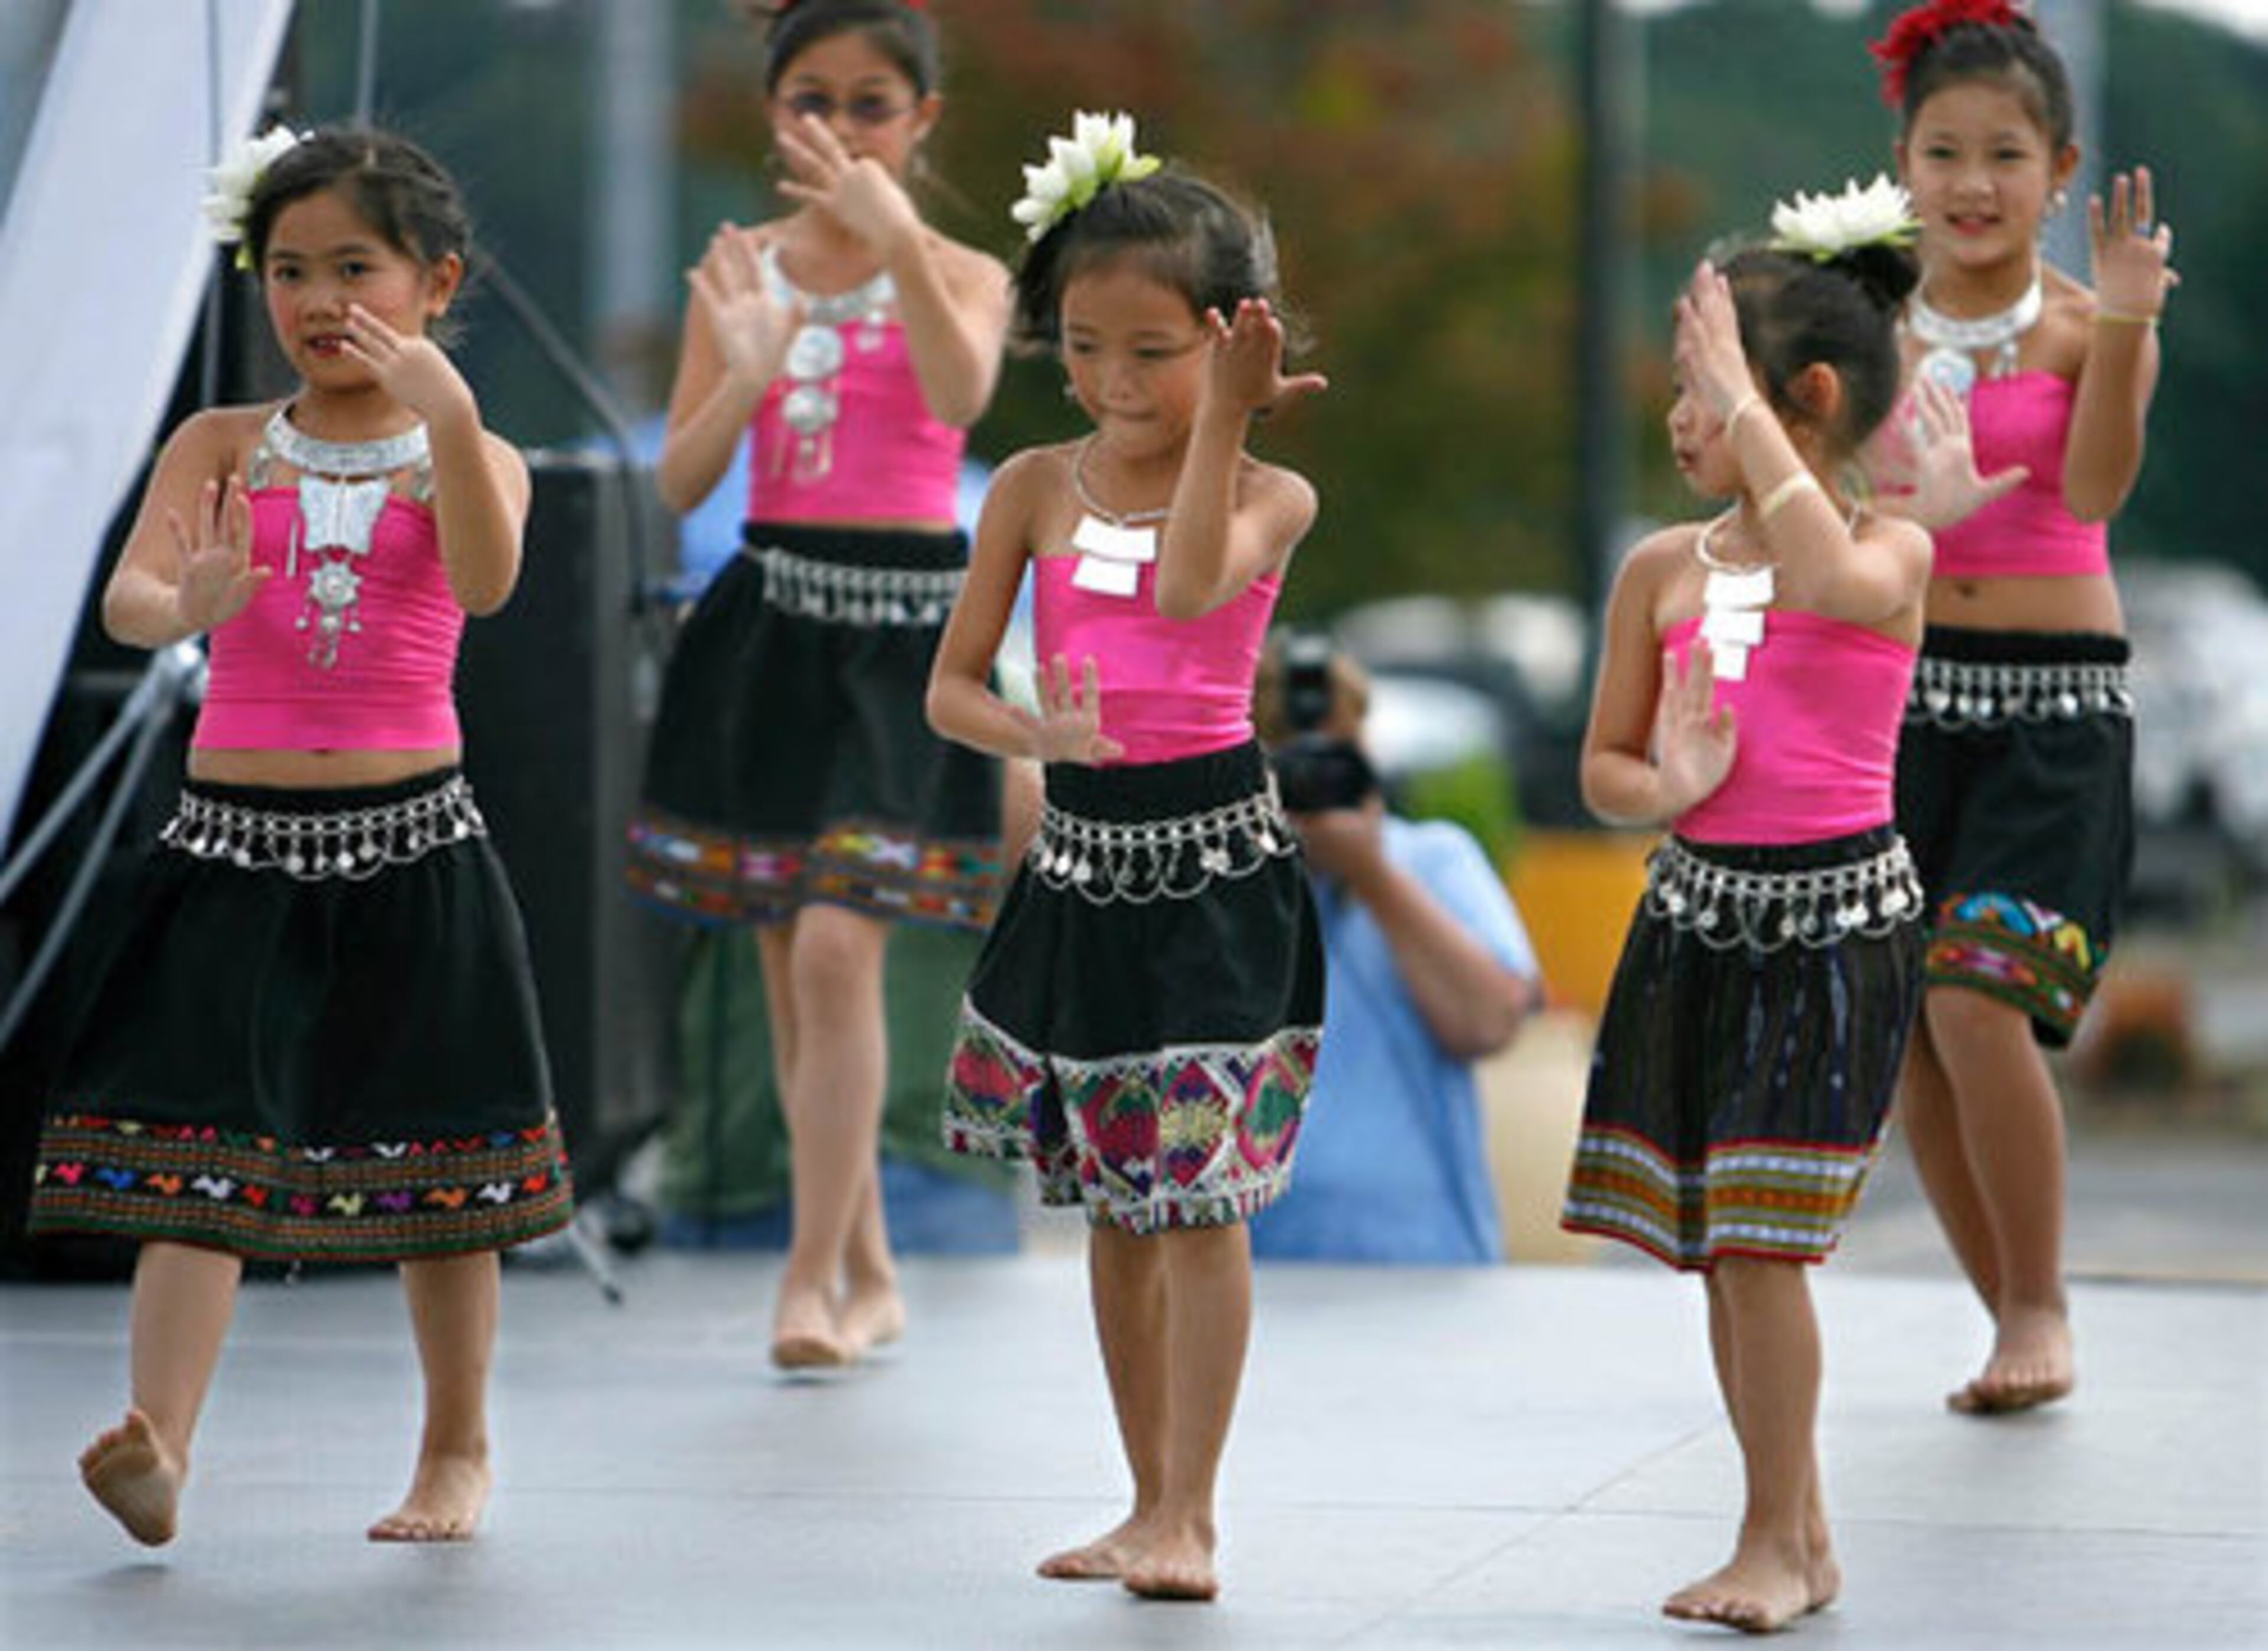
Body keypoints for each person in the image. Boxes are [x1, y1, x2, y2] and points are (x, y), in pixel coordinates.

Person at [25, 126, 571, 1546]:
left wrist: (446, 420)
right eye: (288, 270)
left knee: (441, 1159)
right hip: (230, 838)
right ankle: (161, 1440)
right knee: (195, 1143)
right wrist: (188, 598)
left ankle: (456, 1446)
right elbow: (129, 602)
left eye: (354, 267)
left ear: (434, 282)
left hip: (413, 837)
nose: (320, 297)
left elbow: (491, 581)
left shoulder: (477, 449)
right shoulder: (217, 445)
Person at [927, 111, 1327, 1602]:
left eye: (1150, 352)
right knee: (1111, 1201)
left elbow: (1185, 582)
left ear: (1224, 346)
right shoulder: (1030, 483)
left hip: (1213, 865)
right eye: (1084, 347)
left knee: (1198, 1196)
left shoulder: (1271, 489)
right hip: (1082, 866)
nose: (1110, 382)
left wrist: (1221, 422)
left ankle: (1193, 1511)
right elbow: (952, 686)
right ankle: (1139, 1492)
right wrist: (1039, 735)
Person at [1559, 181, 1934, 1631]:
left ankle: (1773, 1534)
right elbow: (1598, 763)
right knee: (1723, 1243)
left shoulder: (1888, 550)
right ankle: (1799, 1527)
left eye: (1699, 392)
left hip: (1833, 926)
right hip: (1696, 917)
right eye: (1676, 390)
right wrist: (1665, 781)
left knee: (1768, 1242)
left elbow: (1830, 573)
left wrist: (1748, 408)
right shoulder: (1658, 569)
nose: (1676, 418)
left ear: (1805, 400)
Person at [623, 0, 1013, 1371]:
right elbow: (675, 481)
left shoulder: (959, 267)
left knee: (847, 943)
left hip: (905, 624)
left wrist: (893, 232)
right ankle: (867, 1262)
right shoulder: (738, 268)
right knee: (797, 974)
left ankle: (807, 1275)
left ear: (920, 121)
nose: (837, 129)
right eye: (809, 100)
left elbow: (962, 394)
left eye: (867, 103)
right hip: (774, 616)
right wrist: (740, 374)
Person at [1867, 0, 2174, 1415]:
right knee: (1911, 1040)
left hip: (2052, 709)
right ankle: (2008, 1320)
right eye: (1943, 151)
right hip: (1896, 699)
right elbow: (1812, 500)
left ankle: (2041, 1303)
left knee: (1974, 997)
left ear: (2057, 168)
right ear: (1902, 160)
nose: (1970, 182)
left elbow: (2098, 489)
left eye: (2004, 152)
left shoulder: (2083, 319)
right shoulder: (1857, 322)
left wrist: (2119, 321)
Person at [1245, 635, 1541, 1264]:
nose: (1316, 782)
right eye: (1295, 764)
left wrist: (1370, 873)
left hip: (1422, 1252)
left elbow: (1490, 1022)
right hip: (1251, 1262)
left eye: (1337, 757)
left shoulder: (1434, 859)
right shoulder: (1221, 880)